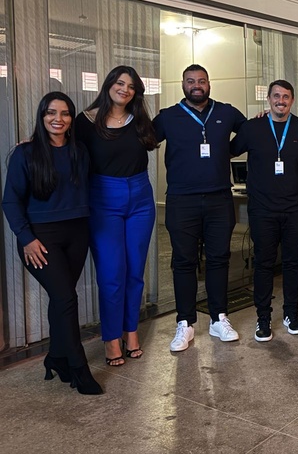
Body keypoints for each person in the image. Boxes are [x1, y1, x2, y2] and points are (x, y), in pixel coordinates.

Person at [2, 92, 102, 394]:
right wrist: (26, 238)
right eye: (51, 112)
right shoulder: (25, 153)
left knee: (61, 299)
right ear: (42, 116)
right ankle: (78, 368)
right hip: (41, 239)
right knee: (66, 298)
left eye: (65, 113)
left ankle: (57, 357)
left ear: (72, 119)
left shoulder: (80, 151)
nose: (58, 119)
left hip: (77, 233)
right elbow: (10, 201)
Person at [153, 64, 247, 352]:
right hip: (181, 200)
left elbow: (250, 134)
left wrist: (227, 150)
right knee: (183, 261)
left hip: (219, 199)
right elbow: (141, 141)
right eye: (191, 81)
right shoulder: (168, 116)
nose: (197, 85)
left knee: (219, 258)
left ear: (209, 83)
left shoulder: (226, 112)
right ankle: (185, 322)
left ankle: (219, 318)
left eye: (202, 81)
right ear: (183, 85)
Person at [231, 80, 298, 341]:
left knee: (293, 263)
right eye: (276, 96)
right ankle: (263, 318)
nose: (280, 101)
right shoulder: (253, 128)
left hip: (295, 209)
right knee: (263, 264)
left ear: (292, 100)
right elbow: (227, 152)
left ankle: (291, 314)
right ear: (268, 99)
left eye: (285, 97)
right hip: (262, 210)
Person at [76, 66, 157, 366]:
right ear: (109, 84)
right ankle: (111, 337)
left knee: (135, 272)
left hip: (141, 198)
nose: (125, 89)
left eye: (131, 86)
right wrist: (32, 142)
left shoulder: (140, 120)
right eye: (120, 83)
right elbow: (56, 140)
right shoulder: (85, 121)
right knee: (111, 274)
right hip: (103, 199)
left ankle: (130, 331)